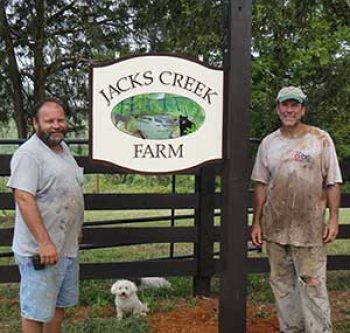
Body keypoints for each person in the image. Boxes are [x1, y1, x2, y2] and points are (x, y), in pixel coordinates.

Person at [251, 86, 342, 333]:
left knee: (312, 283)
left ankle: (319, 330)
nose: (289, 110)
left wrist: (333, 219)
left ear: (303, 109)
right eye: (284, 105)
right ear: (277, 108)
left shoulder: (320, 139)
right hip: (275, 226)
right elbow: (260, 184)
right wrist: (256, 223)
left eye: (294, 105)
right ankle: (291, 328)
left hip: (310, 227)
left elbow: (332, 181)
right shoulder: (268, 143)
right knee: (281, 283)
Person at [7, 98, 84, 333]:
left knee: (57, 306)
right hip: (41, 251)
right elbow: (23, 198)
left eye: (60, 120)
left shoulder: (63, 149)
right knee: (36, 312)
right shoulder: (29, 155)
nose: (56, 125)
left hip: (66, 246)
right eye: (49, 121)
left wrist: (76, 227)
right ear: (35, 124)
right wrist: (44, 242)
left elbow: (69, 189)